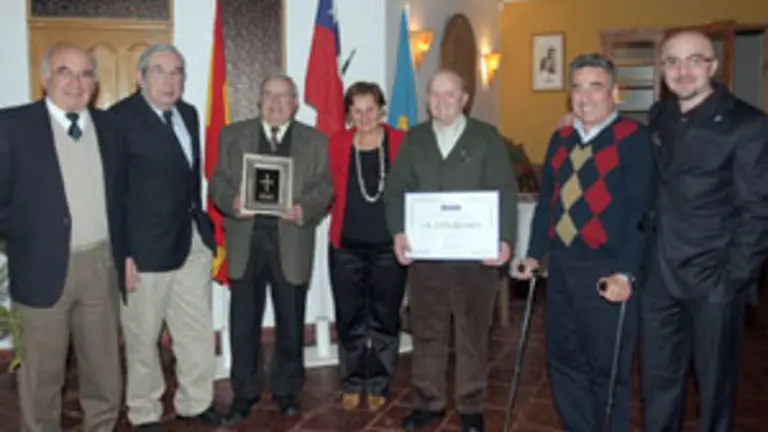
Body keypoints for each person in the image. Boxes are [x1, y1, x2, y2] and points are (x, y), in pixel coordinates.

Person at [513, 53, 654, 431]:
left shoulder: (633, 138)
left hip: (606, 269)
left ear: (614, 92)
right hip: (561, 267)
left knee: (607, 368)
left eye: (596, 86)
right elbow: (547, 203)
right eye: (577, 87)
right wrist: (532, 255)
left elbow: (639, 211)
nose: (586, 96)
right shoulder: (560, 139)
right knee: (563, 360)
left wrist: (626, 272)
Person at [640, 30, 768, 431]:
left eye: (694, 59)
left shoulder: (748, 124)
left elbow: (757, 212)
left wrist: (731, 281)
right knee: (659, 385)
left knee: (715, 391)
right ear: (662, 71)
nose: (683, 70)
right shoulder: (658, 116)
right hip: (658, 277)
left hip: (713, 280)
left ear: (713, 66)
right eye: (673, 61)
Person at [384, 69, 518, 432]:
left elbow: (505, 191)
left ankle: (471, 406)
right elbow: (395, 191)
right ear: (427, 100)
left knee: (473, 333)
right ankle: (428, 403)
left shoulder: (486, 138)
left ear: (464, 99)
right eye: (435, 95)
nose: (442, 101)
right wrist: (398, 232)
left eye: (450, 94)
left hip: (476, 258)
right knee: (428, 332)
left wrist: (504, 239)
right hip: (427, 257)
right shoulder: (414, 140)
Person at [0, 43, 124, 431]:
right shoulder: (11, 126)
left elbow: (122, 197)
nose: (76, 82)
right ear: (45, 78)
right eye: (65, 72)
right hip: (40, 268)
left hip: (100, 266)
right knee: (42, 378)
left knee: (105, 373)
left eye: (86, 73)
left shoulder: (109, 127)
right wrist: (23, 242)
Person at [210, 73, 334, 427]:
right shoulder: (233, 136)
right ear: (258, 100)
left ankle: (287, 391)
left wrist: (304, 210)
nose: (276, 103)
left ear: (295, 103)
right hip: (246, 241)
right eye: (269, 95)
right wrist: (233, 202)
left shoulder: (314, 140)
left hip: (291, 242)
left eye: (284, 97)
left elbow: (325, 188)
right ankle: (244, 393)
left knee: (291, 322)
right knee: (243, 323)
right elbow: (218, 181)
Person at [109, 44, 220, 430]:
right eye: (160, 71)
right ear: (140, 77)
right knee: (143, 337)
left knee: (194, 330)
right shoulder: (119, 120)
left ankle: (196, 401)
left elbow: (189, 181)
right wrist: (122, 253)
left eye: (177, 73)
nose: (170, 81)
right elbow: (113, 194)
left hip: (190, 241)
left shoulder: (187, 114)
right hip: (144, 250)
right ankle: (143, 410)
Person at [327, 82, 407, 412]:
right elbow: (323, 187)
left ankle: (378, 381)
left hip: (389, 248)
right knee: (349, 319)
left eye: (370, 109)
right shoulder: (337, 144)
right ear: (348, 114)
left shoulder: (402, 142)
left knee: (385, 319)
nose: (364, 117)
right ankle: (351, 381)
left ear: (381, 109)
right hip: (345, 247)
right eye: (357, 111)